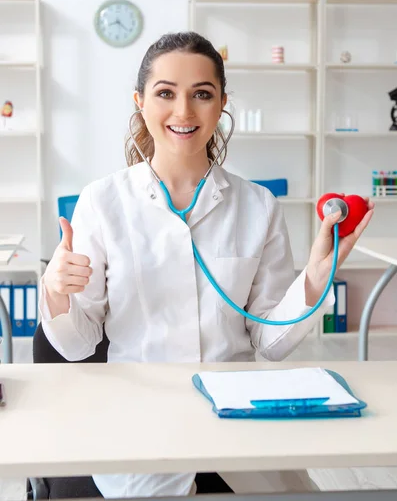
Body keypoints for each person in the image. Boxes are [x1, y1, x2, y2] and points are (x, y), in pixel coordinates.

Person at [40, 31, 374, 499]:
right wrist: (57, 290)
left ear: (221, 104)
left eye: (201, 94)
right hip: (141, 418)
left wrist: (317, 273)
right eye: (165, 93)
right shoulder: (102, 201)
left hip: (241, 415)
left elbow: (271, 343)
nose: (183, 112)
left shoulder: (257, 204)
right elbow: (76, 346)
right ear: (139, 102)